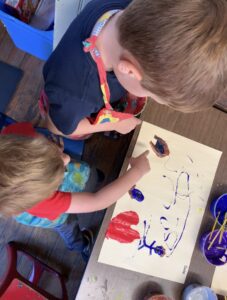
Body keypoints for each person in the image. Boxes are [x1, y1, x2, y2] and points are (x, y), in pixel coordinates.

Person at [42, 0, 227, 138]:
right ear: (129, 70)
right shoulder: (74, 95)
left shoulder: (138, 10)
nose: (149, 97)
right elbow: (56, 126)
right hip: (66, 111)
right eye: (152, 94)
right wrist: (112, 125)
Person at [0, 122, 150, 261]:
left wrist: (51, 153)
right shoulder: (44, 202)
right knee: (68, 225)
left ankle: (94, 178)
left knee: (88, 174)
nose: (67, 158)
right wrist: (137, 171)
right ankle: (81, 245)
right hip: (49, 213)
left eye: (57, 156)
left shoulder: (13, 134)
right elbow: (98, 201)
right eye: (61, 168)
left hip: (46, 188)